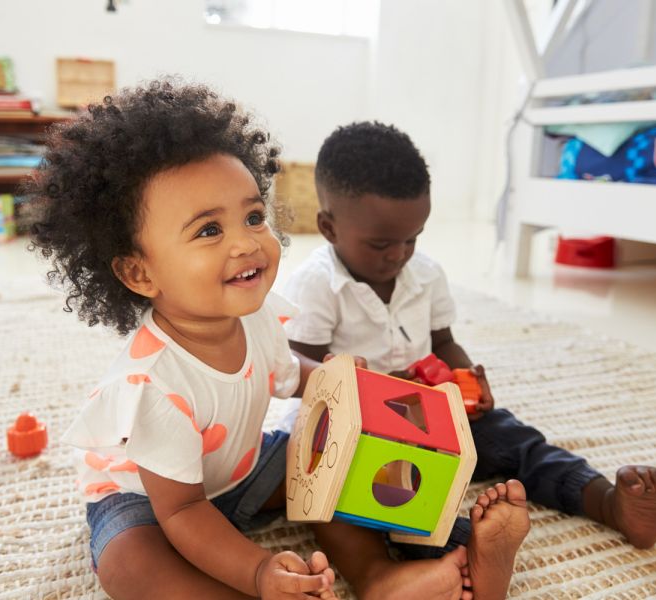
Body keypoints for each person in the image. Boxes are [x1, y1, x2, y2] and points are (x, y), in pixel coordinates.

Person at [28, 81, 524, 600]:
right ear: (139, 272)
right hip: (152, 504)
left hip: (242, 473)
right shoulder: (151, 386)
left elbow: (297, 378)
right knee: (131, 566)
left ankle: (397, 571)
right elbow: (184, 511)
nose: (246, 242)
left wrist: (355, 392)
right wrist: (259, 572)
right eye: (208, 231)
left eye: (253, 217)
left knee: (341, 460)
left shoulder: (258, 319)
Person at [282, 121, 656, 558]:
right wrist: (381, 390)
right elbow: (304, 375)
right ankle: (465, 553)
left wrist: (466, 377)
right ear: (328, 227)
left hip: (432, 413)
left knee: (517, 441)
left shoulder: (425, 274)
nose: (398, 254)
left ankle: (609, 501)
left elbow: (444, 341)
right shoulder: (316, 286)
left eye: (412, 239)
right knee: (397, 502)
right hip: (356, 434)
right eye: (381, 244)